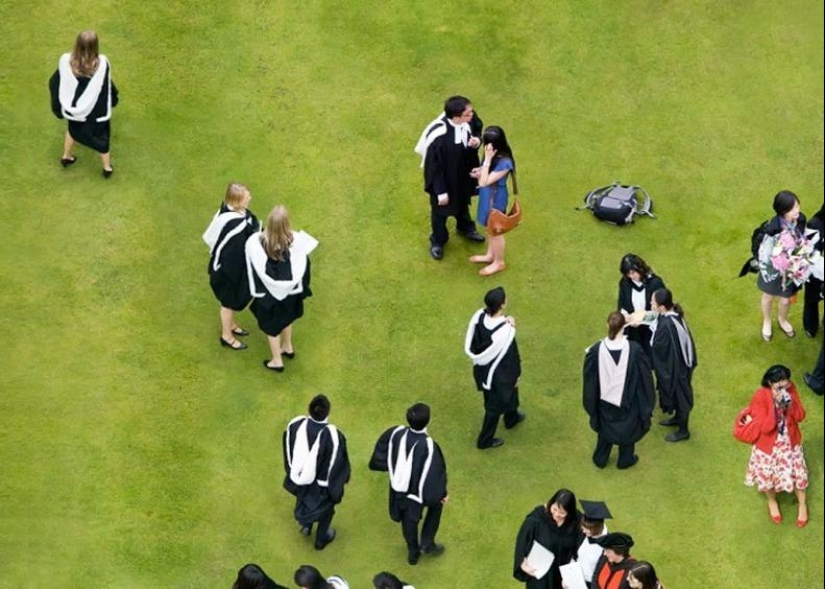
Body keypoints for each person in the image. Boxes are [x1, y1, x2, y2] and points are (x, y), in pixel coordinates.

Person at [369, 403, 448, 565]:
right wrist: (442, 494)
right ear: (428, 421)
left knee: (408, 523)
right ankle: (427, 544)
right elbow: (435, 473)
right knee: (436, 505)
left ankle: (413, 552)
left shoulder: (396, 433)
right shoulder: (429, 445)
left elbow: (380, 454)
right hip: (415, 495)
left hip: (397, 489)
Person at [416, 95, 486, 261]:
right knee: (440, 213)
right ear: (456, 117)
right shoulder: (439, 138)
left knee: (462, 202)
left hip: (463, 173)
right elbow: (435, 168)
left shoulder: (468, 119)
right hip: (445, 179)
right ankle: (438, 240)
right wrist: (441, 192)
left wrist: (477, 140)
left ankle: (465, 227)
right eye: (468, 114)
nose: (472, 115)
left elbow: (477, 128)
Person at [245, 205, 314, 372]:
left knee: (271, 327)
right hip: (290, 292)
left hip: (269, 296)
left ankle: (277, 360)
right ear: (287, 223)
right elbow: (304, 267)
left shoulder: (260, 242)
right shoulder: (294, 241)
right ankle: (287, 346)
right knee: (286, 318)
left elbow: (254, 265)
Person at [583, 312, 655, 469]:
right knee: (628, 431)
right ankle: (625, 459)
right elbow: (645, 380)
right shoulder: (635, 351)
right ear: (624, 327)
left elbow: (590, 383)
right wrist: (647, 404)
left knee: (605, 431)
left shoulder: (595, 352)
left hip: (604, 404)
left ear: (607, 325)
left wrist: (591, 406)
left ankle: (600, 458)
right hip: (629, 403)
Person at [283, 394, 351, 550]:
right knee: (327, 511)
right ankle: (321, 539)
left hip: (299, 478)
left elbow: (288, 452)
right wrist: (342, 481)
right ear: (328, 412)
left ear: (309, 409)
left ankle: (307, 526)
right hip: (322, 484)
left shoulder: (295, 426)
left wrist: (296, 475)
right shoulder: (334, 437)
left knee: (304, 497)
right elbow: (338, 465)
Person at [744, 365, 809, 527]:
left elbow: (801, 416)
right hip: (767, 446)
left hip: (789, 442)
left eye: (786, 383)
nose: (784, 388)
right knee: (767, 477)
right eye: (779, 385)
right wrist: (775, 406)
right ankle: (772, 502)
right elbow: (766, 428)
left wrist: (791, 404)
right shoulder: (760, 396)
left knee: (798, 474)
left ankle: (802, 504)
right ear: (770, 383)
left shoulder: (790, 389)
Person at [49, 30, 119, 177]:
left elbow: (55, 82)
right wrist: (113, 98)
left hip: (75, 107)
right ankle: (107, 168)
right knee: (101, 136)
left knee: (73, 129)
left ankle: (66, 156)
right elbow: (106, 86)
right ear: (95, 46)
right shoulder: (101, 64)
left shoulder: (67, 62)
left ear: (78, 44)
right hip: (96, 110)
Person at [464, 286, 526, 449]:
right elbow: (511, 357)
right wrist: (516, 375)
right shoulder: (505, 332)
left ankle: (511, 418)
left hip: (482, 370)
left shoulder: (479, 318)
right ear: (503, 304)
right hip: (499, 375)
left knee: (510, 394)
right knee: (493, 407)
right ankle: (484, 441)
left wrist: (506, 322)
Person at [203, 182, 260, 351]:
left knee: (229, 302)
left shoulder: (229, 210)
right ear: (237, 201)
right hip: (228, 272)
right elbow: (233, 256)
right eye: (246, 197)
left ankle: (232, 325)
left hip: (224, 266)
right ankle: (226, 336)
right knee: (227, 303)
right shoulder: (235, 226)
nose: (250, 198)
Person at [753, 190, 808, 340]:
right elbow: (765, 252)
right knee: (768, 296)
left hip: (791, 268)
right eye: (793, 208)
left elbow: (802, 240)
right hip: (773, 269)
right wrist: (778, 261)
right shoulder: (773, 228)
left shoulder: (801, 219)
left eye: (798, 206)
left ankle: (782, 320)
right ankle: (767, 321)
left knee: (785, 299)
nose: (797, 210)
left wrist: (799, 259)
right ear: (783, 211)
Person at [649, 288, 697, 442]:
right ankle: (677, 418)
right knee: (678, 397)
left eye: (653, 302)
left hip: (677, 369)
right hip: (682, 364)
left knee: (681, 399)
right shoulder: (674, 316)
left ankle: (683, 431)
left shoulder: (666, 325)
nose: (651, 304)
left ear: (662, 307)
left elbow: (656, 345)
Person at [469, 126, 517, 276]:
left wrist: (487, 160)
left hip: (495, 199)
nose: (487, 147)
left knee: (496, 230)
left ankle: (499, 262)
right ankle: (490, 255)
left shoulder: (505, 162)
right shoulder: (494, 154)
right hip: (488, 196)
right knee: (489, 228)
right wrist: (480, 170)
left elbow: (484, 182)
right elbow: (486, 174)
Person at [513, 488, 583, 589]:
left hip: (562, 576)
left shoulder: (576, 521)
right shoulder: (537, 519)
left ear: (570, 512)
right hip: (540, 575)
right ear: (551, 504)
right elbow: (522, 540)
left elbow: (580, 546)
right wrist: (522, 563)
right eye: (554, 509)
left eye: (562, 513)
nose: (557, 514)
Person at [616, 254, 666, 359]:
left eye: (633, 272)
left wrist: (643, 319)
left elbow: (662, 309)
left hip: (651, 329)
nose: (631, 276)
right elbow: (622, 304)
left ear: (640, 269)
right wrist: (626, 316)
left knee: (652, 358)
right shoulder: (625, 283)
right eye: (628, 274)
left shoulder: (655, 283)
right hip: (633, 331)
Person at [573, 500, 612, 587]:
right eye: (583, 527)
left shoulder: (609, 545)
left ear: (597, 528)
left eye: (587, 529)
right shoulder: (583, 534)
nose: (583, 531)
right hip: (575, 578)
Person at [802, 204, 824, 338]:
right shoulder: (814, 224)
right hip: (815, 272)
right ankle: (810, 327)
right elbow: (809, 251)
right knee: (811, 300)